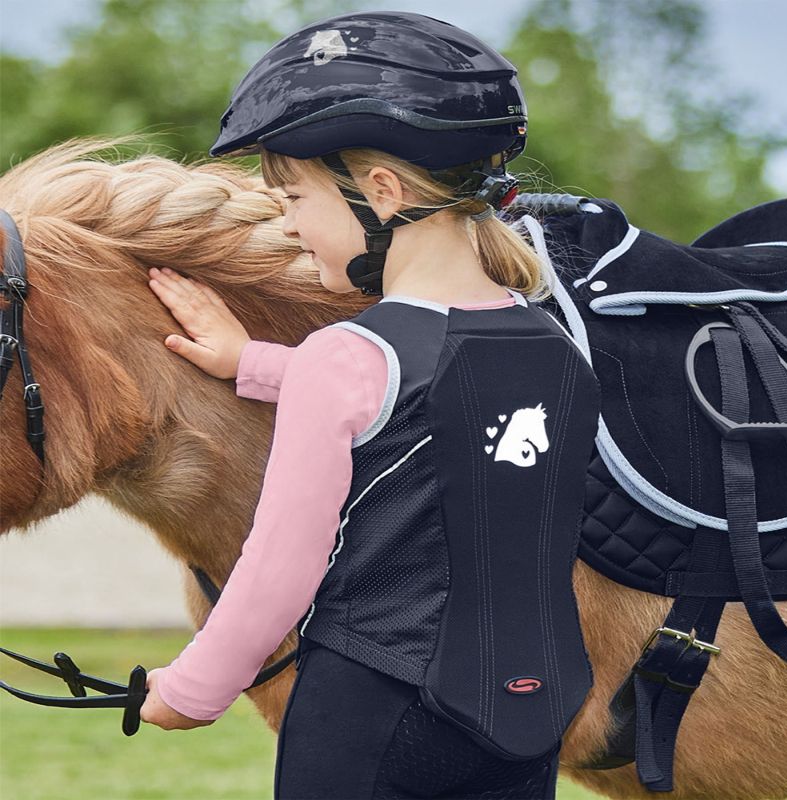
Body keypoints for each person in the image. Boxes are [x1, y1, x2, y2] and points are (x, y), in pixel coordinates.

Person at [139, 10, 600, 799]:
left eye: (292, 199)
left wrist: (191, 690)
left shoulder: (346, 358)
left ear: (381, 192)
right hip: (526, 721)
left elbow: (278, 570)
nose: (287, 225)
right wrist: (251, 362)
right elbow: (443, 405)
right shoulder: (555, 349)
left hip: (372, 715)